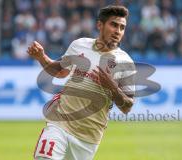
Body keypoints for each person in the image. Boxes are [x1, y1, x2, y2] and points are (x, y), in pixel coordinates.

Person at [28, 5, 136, 160]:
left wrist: (112, 86)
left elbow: (127, 106)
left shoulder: (125, 63)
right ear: (100, 25)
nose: (118, 31)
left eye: (122, 27)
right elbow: (60, 71)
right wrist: (41, 57)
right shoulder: (79, 45)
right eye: (113, 25)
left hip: (88, 137)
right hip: (60, 123)